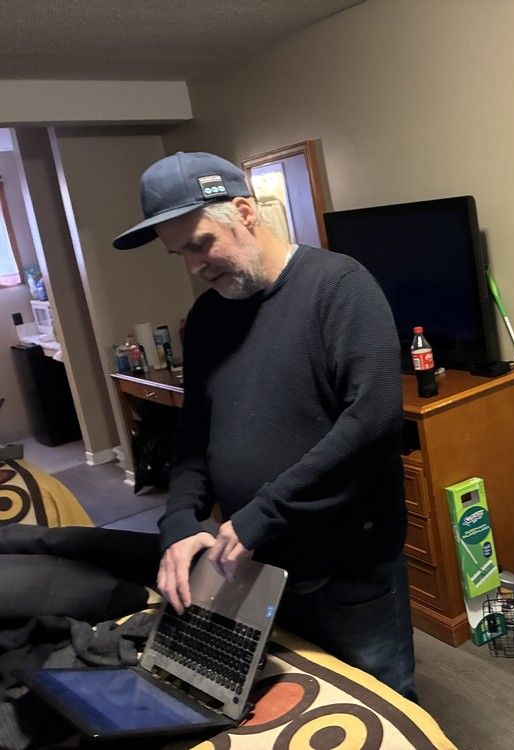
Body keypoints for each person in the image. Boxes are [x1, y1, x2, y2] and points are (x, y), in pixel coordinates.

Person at [113, 152, 416, 700]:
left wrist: (262, 515)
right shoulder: (206, 319)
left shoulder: (339, 286)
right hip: (253, 564)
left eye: (200, 243)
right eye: (179, 253)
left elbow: (371, 421)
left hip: (344, 564)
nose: (193, 266)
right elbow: (193, 437)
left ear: (245, 213)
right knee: (294, 702)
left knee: (381, 702)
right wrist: (179, 522)